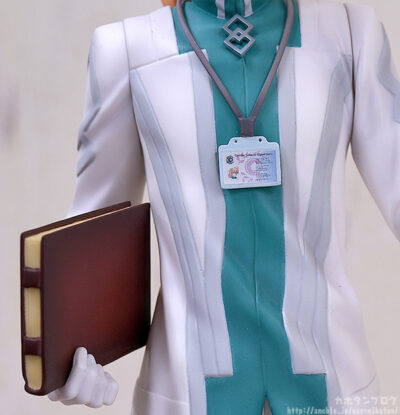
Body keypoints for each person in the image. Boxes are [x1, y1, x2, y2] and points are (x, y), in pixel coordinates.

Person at [48, 0, 400, 414]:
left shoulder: (350, 34)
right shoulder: (126, 49)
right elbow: (93, 229)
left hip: (336, 388)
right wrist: (64, 357)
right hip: (184, 394)